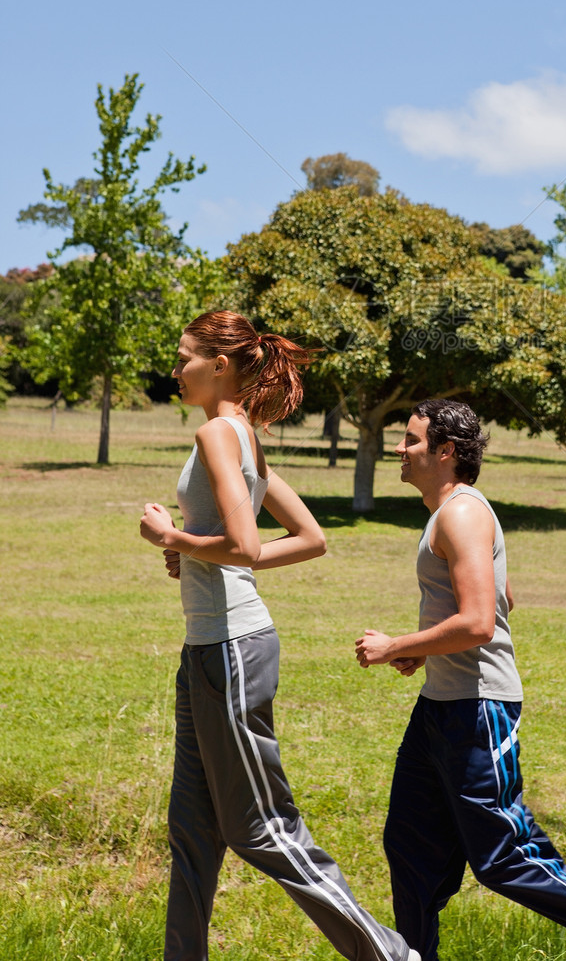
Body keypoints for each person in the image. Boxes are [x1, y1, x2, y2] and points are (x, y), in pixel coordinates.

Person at [140, 311, 420, 961]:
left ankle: (391, 956)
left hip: (231, 651)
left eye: (184, 357)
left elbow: (244, 544)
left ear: (219, 365)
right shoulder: (243, 436)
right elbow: (306, 540)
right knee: (193, 831)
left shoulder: (219, 433)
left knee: (261, 829)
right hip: (210, 647)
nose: (174, 369)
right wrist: (202, 555)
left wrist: (175, 538)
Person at [355, 399, 566, 961]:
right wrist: (428, 653)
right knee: (411, 848)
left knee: (505, 858)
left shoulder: (461, 513)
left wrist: (397, 647)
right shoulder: (450, 513)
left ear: (445, 451)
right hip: (442, 705)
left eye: (410, 440)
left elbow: (480, 622)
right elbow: (501, 600)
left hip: (476, 711)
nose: (399, 450)